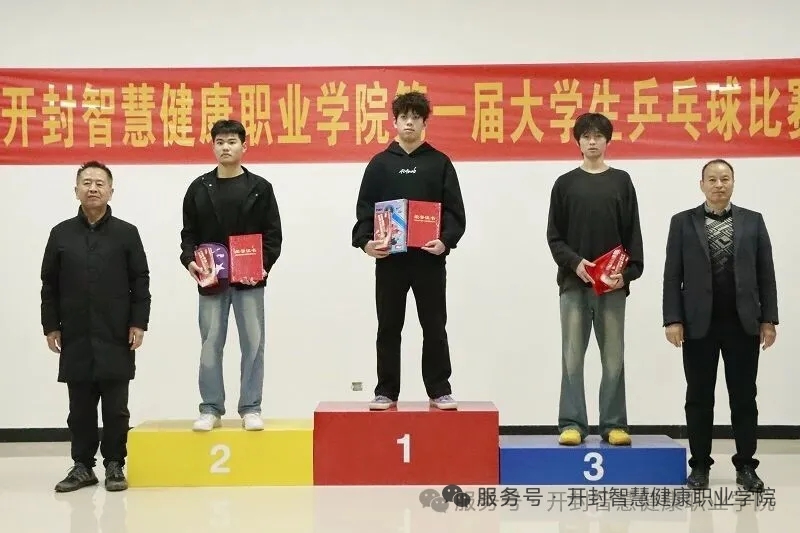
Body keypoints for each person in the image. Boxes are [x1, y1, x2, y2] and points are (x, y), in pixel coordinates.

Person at [662, 159, 777, 492]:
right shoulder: (682, 222)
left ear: (733, 183)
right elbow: (672, 275)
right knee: (699, 397)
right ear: (701, 184)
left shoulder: (753, 221)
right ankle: (700, 465)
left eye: (725, 179)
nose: (718, 185)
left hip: (743, 323)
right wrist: (673, 319)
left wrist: (768, 319)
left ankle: (746, 466)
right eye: (712, 179)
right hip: (699, 325)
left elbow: (766, 274)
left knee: (744, 398)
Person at [351, 91, 466, 411]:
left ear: (425, 122)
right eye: (404, 117)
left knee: (434, 326)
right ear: (395, 122)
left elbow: (455, 211)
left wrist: (445, 241)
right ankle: (386, 391)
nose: (410, 123)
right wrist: (366, 243)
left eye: (416, 117)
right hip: (390, 260)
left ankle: (440, 389)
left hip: (429, 260)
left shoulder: (439, 163)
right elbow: (364, 210)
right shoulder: (380, 164)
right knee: (388, 326)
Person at [40, 161, 151, 493]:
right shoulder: (60, 234)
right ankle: (82, 466)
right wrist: (51, 326)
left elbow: (140, 280)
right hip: (75, 333)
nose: (93, 188)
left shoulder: (126, 233)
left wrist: (139, 322)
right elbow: (49, 284)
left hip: (116, 332)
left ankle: (115, 463)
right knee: (80, 408)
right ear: (76, 190)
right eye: (86, 182)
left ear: (111, 191)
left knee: (116, 408)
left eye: (100, 183)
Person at [546, 112, 644, 446]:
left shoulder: (621, 182)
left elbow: (633, 236)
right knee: (572, 357)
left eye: (598, 136)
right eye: (586, 136)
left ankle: (614, 424)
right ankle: (572, 423)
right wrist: (575, 264)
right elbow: (554, 237)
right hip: (573, 286)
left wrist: (626, 275)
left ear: (607, 141)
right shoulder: (565, 184)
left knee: (613, 359)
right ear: (578, 141)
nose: (592, 141)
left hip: (612, 288)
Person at [179, 119, 282, 432]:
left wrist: (264, 263)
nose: (226, 147)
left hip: (250, 279)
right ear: (213, 146)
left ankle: (251, 407)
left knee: (253, 342)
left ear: (244, 146)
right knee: (210, 343)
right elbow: (188, 234)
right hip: (211, 279)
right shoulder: (198, 188)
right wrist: (189, 261)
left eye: (232, 141)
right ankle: (210, 408)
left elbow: (273, 234)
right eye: (220, 142)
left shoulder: (260, 188)